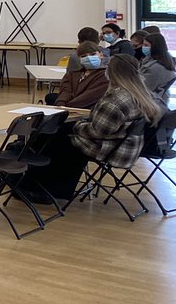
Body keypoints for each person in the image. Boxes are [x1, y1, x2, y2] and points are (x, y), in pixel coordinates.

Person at [24, 54, 164, 202]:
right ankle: (48, 185)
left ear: (111, 73)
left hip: (110, 148)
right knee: (58, 135)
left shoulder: (116, 99)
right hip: (126, 145)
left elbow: (97, 132)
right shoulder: (143, 93)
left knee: (55, 135)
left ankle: (40, 186)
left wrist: (76, 125)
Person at [46, 41, 108, 109]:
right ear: (79, 59)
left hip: (87, 109)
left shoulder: (106, 75)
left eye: (92, 54)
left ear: (101, 55)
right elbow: (66, 91)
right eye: (83, 56)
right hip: (68, 107)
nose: (89, 58)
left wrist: (68, 107)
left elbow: (90, 97)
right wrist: (61, 104)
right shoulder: (73, 73)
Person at [138, 31, 176, 112]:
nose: (143, 48)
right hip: (152, 102)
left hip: (151, 105)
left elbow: (144, 88)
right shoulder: (149, 60)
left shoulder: (157, 67)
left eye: (146, 45)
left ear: (155, 47)